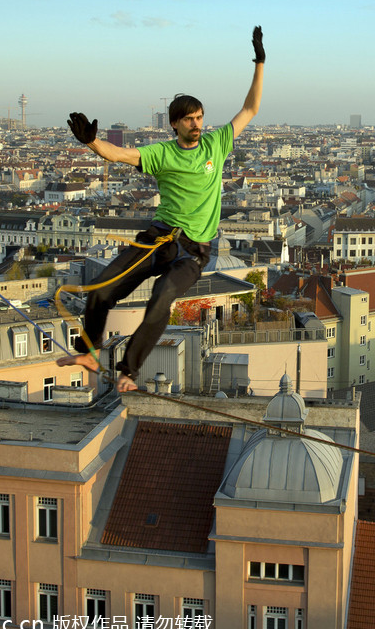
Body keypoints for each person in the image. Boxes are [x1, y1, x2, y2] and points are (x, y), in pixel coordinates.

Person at [58, 26, 265, 392]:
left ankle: (129, 370)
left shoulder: (216, 144)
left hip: (193, 251)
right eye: (189, 119)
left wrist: (259, 61)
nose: (197, 124)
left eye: (200, 117)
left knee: (161, 299)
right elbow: (120, 155)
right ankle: (89, 350)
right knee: (102, 288)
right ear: (174, 124)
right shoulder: (162, 153)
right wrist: (92, 142)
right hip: (159, 238)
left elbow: (250, 108)